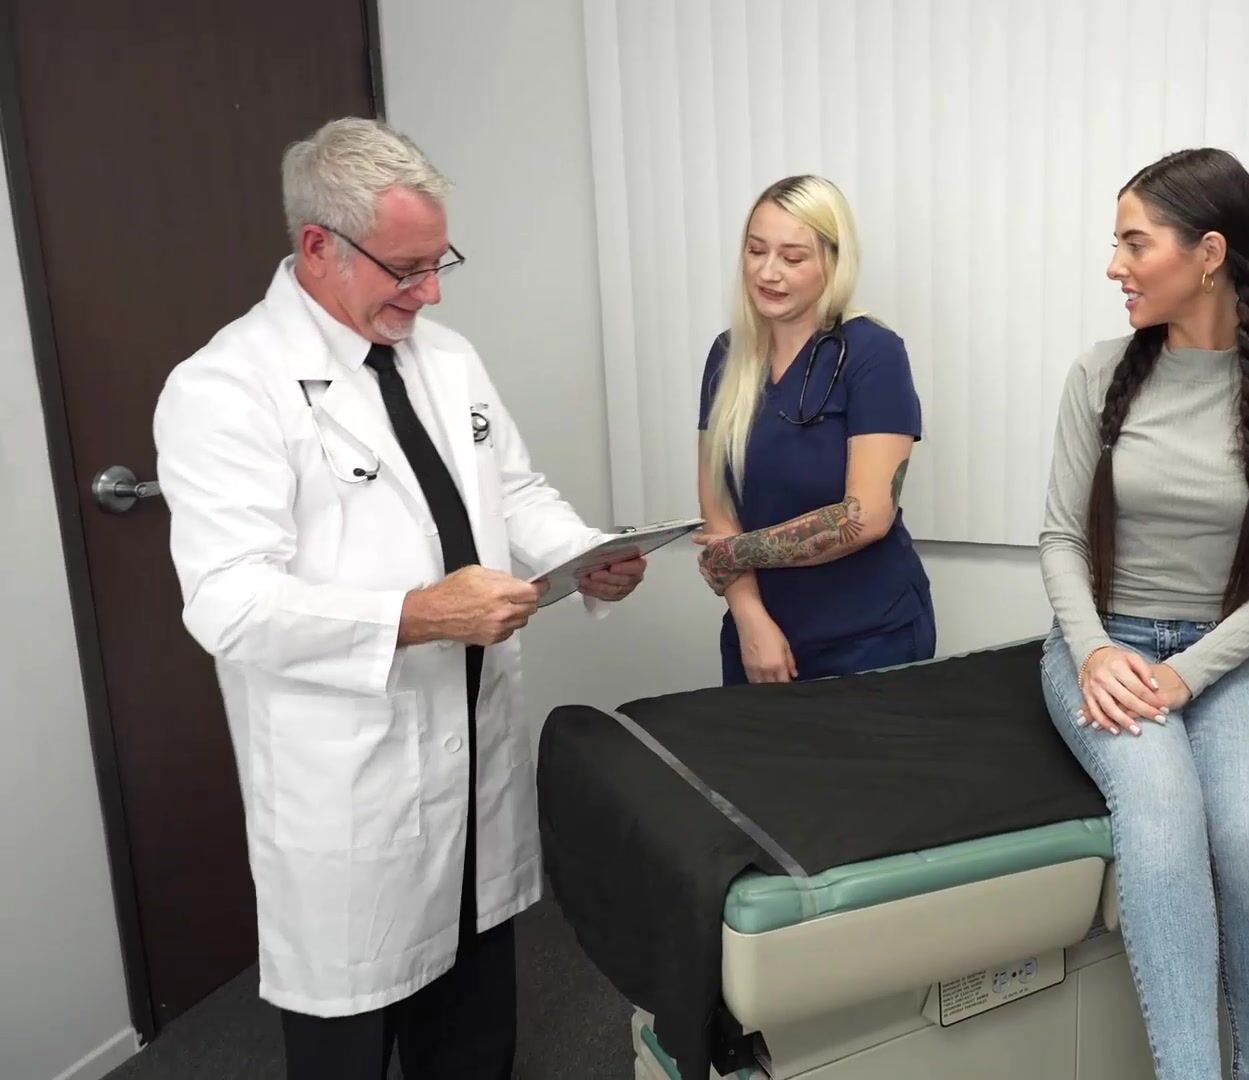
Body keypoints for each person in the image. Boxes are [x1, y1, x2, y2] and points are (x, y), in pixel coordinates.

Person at [153, 117, 647, 1079]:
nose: (431, 292)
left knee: (473, 1028)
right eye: (407, 269)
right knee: (348, 1040)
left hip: (472, 743)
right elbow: (229, 603)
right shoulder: (225, 387)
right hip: (351, 778)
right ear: (318, 246)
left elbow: (514, 491)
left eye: (439, 263)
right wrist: (419, 616)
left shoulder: (447, 358)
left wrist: (583, 555)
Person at [1036, 147, 1249, 1079]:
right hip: (1106, 647)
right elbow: (1060, 538)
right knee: (1165, 825)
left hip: (1226, 657)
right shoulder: (1097, 375)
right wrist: (1095, 654)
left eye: (1135, 243)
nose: (1114, 266)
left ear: (1209, 254)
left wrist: (1186, 675)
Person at [693, 174, 934, 685]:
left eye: (793, 257)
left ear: (833, 261)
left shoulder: (874, 354)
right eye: (756, 251)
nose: (768, 272)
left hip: (868, 636)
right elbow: (718, 505)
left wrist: (735, 553)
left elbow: (865, 516)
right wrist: (750, 618)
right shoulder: (728, 355)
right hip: (755, 630)